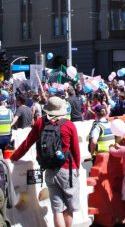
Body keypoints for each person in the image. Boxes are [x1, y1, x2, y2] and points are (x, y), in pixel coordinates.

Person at [11, 96, 81, 227]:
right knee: (70, 208)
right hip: (67, 170)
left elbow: (27, 143)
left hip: (49, 169)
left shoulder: (40, 123)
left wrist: (14, 157)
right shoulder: (69, 125)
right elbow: (76, 150)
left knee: (57, 209)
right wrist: (76, 168)